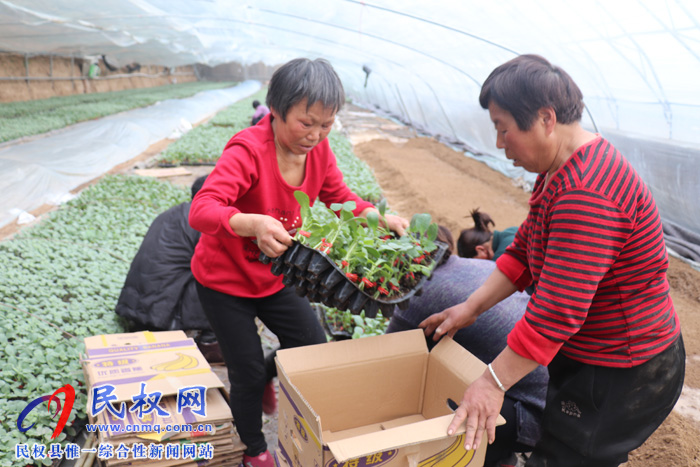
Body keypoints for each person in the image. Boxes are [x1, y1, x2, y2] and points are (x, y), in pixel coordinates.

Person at [420, 54, 684, 467]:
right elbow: (524, 251)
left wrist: (492, 383)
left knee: (568, 456)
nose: (498, 143)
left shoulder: (587, 194)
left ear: (545, 118)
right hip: (591, 352)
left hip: (624, 366)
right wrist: (469, 309)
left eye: (503, 129)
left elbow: (556, 311)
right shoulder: (560, 169)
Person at [189, 57, 409, 467]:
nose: (315, 135)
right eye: (306, 123)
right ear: (276, 109)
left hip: (274, 277)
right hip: (224, 281)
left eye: (326, 125)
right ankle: (254, 451)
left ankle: (267, 377)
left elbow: (340, 197)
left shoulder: (320, 152)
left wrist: (379, 217)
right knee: (246, 371)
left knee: (310, 346)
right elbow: (202, 209)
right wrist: (250, 222)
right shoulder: (248, 151)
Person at [386, 226, 547, 467]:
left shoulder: (417, 295)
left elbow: (387, 364)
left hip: (534, 417)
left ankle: (490, 457)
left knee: (428, 397)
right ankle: (500, 456)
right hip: (555, 396)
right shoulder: (475, 265)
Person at [115, 175, 224, 362]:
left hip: (136, 306)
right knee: (220, 277)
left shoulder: (173, 212)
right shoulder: (204, 220)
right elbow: (219, 267)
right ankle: (208, 342)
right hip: (161, 314)